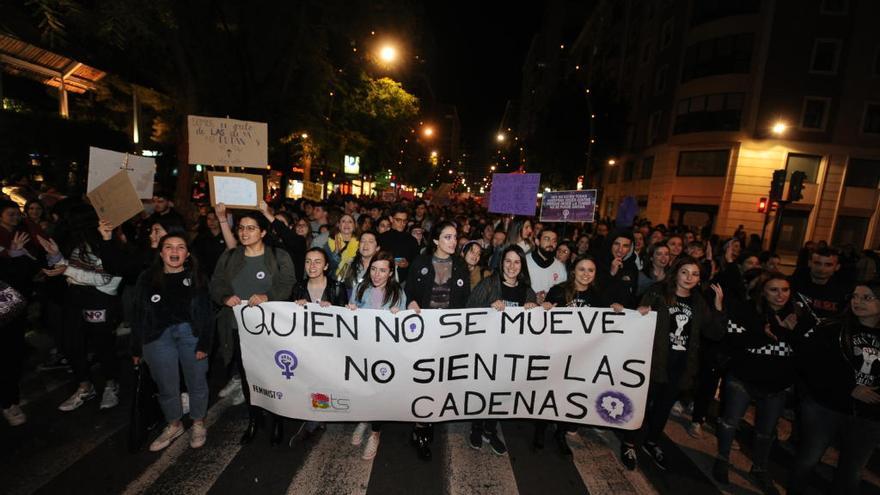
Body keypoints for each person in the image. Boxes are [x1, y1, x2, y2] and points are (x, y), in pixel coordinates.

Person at [712, 272, 815, 493]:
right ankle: (722, 458)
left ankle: (759, 468)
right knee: (730, 421)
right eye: (774, 290)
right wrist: (766, 333)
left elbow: (807, 352)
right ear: (763, 292)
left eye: (785, 290)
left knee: (766, 431)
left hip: (777, 385)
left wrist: (789, 332)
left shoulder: (800, 316)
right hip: (742, 378)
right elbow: (733, 340)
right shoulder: (746, 310)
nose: (780, 295)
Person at [620, 256, 725, 471]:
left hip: (681, 365)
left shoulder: (698, 301)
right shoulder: (657, 293)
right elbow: (637, 322)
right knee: (642, 404)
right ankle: (629, 443)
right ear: (676, 272)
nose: (689, 277)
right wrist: (640, 313)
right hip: (653, 361)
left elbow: (715, 333)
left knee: (663, 407)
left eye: (695, 274)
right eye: (685, 272)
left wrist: (718, 307)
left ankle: (651, 441)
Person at [209, 212, 295, 445]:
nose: (244, 233)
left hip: (271, 330)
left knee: (274, 375)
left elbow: (288, 283)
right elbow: (215, 283)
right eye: (241, 228)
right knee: (248, 377)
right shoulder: (229, 257)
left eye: (251, 228)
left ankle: (277, 420)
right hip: (239, 329)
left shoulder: (279, 257)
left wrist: (268, 295)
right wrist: (224, 297)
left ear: (263, 232)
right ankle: (254, 419)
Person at [790, 280, 880, 494]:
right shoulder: (832, 328)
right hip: (826, 407)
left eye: (866, 297)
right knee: (807, 461)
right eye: (855, 296)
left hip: (869, 415)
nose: (858, 302)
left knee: (851, 471)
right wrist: (849, 387)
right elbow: (812, 366)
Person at [40, 208, 128, 412]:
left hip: (99, 302)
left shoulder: (111, 248)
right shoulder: (79, 245)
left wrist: (67, 268)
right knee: (72, 344)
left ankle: (110, 384)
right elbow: (70, 270)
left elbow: (104, 279)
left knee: (103, 345)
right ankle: (84, 386)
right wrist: (56, 257)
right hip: (74, 301)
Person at [131, 234, 214, 451]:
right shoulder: (147, 278)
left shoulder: (197, 276)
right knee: (166, 385)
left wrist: (205, 343)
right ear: (161, 253)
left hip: (190, 334)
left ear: (187, 254)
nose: (174, 251)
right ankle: (174, 424)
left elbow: (207, 312)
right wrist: (136, 346)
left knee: (197, 381)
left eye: (180, 247)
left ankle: (198, 422)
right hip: (156, 337)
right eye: (168, 247)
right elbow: (137, 313)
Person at [536, 255, 624, 454]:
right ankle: (540, 429)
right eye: (582, 269)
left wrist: (617, 312)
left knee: (568, 393)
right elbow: (543, 322)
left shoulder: (598, 296)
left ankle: (561, 432)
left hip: (581, 356)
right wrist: (545, 307)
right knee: (548, 391)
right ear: (574, 271)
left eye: (590, 270)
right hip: (557, 352)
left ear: (595, 274)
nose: (586, 274)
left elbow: (605, 324)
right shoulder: (558, 290)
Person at [405, 221, 471, 460]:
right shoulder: (421, 263)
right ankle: (420, 428)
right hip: (424, 332)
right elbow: (410, 289)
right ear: (435, 240)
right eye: (447, 237)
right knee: (424, 378)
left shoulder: (461, 265)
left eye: (455, 237)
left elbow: (465, 300)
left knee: (442, 376)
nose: (453, 242)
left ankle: (432, 417)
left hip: (449, 333)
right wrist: (411, 301)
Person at [467, 245, 538, 456]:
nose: (512, 266)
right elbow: (468, 309)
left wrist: (533, 309)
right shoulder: (489, 284)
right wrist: (488, 305)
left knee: (499, 392)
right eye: (508, 261)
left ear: (522, 266)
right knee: (483, 389)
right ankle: (476, 428)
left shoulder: (527, 291)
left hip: (510, 353)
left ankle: (490, 429)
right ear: (501, 262)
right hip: (486, 349)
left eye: (517, 262)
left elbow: (535, 328)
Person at [347, 251, 406, 460]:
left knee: (379, 393)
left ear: (390, 273)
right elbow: (349, 319)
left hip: (385, 354)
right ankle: (364, 419)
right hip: (363, 351)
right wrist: (350, 310)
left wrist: (401, 314)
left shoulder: (398, 293)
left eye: (382, 270)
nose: (377, 274)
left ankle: (375, 433)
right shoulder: (360, 287)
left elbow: (405, 328)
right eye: (373, 269)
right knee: (363, 389)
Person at [288, 247, 348, 445]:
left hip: (330, 347)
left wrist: (333, 309)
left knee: (324, 382)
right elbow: (287, 319)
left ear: (326, 266)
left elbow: (347, 320)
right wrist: (295, 307)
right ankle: (317, 418)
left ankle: (314, 421)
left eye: (317, 261)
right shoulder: (297, 287)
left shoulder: (337, 288)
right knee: (310, 382)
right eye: (308, 261)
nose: (312, 266)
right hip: (306, 346)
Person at [791, 247, 851, 321]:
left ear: (837, 267)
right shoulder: (792, 284)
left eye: (828, 265)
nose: (821, 269)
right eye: (817, 263)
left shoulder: (844, 291)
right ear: (809, 263)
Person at [525, 228, 567, 303]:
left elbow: (562, 294)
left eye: (554, 241)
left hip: (550, 311)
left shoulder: (560, 267)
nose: (551, 243)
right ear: (537, 241)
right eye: (547, 239)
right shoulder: (524, 261)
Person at [378, 206, 419, 282]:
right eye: (398, 220)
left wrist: (407, 264)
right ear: (391, 219)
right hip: (382, 278)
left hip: (404, 280)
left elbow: (417, 262)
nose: (402, 223)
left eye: (404, 221)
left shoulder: (412, 240)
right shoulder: (381, 238)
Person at [339, 231, 380, 296]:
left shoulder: (384, 266)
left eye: (370, 241)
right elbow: (338, 286)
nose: (365, 244)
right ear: (358, 246)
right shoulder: (349, 263)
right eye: (362, 241)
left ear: (377, 248)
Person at [326, 213, 359, 279]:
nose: (346, 224)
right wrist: (336, 252)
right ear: (338, 225)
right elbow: (329, 267)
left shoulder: (361, 243)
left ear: (354, 226)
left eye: (350, 221)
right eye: (343, 221)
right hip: (334, 279)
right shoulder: (330, 243)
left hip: (355, 280)